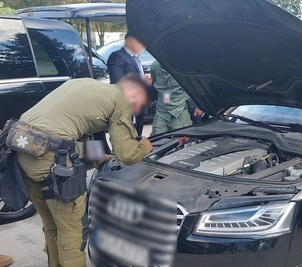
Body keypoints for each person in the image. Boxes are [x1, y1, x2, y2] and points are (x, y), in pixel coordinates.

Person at [15, 74, 153, 267]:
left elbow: (84, 127)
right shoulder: (122, 100)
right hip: (51, 159)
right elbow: (127, 155)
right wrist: (145, 146)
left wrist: (98, 157)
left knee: (53, 226)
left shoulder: (87, 84)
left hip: (21, 148)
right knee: (73, 231)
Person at [107, 32, 148, 136]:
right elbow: (117, 81)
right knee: (126, 136)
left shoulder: (135, 58)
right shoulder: (118, 56)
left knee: (137, 134)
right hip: (127, 103)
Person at [150, 61, 195, 135]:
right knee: (157, 140)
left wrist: (198, 106)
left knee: (183, 140)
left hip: (179, 111)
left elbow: (193, 87)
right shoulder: (155, 66)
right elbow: (154, 82)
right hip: (161, 111)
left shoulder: (183, 67)